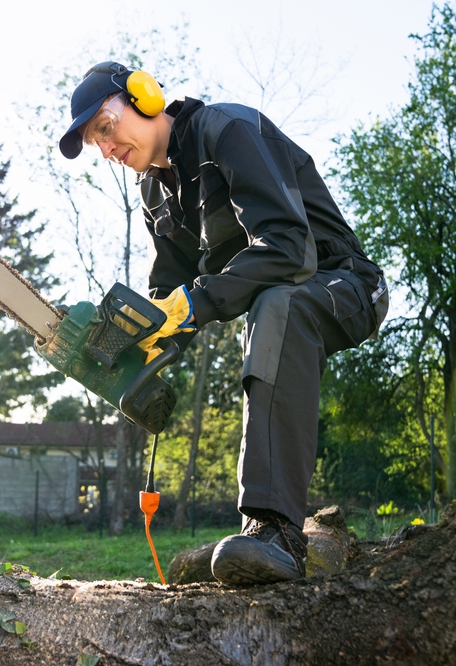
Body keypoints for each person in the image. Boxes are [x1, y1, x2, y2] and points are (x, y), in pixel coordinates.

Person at [59, 61, 388, 585]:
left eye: (104, 128)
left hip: (344, 283)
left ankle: (277, 532)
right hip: (282, 295)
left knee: (278, 305)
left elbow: (287, 250)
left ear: (143, 97)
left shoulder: (228, 131)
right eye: (96, 144)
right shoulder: (155, 192)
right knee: (273, 306)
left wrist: (194, 303)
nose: (106, 149)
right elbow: (167, 293)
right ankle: (256, 539)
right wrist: (134, 344)